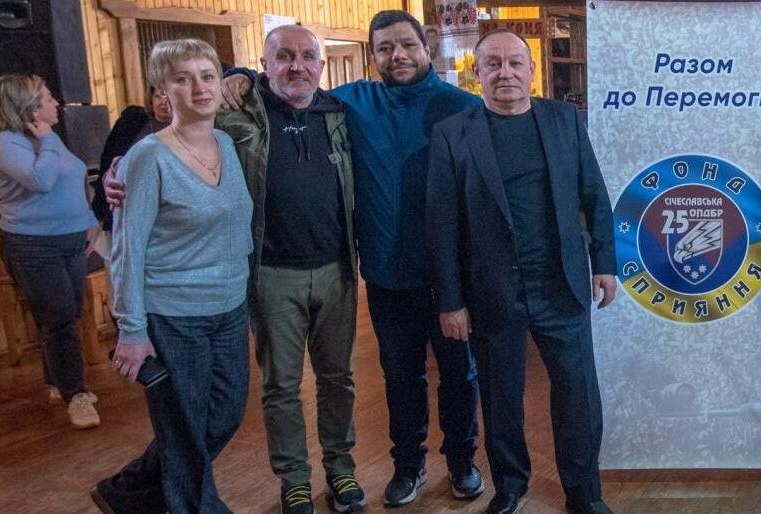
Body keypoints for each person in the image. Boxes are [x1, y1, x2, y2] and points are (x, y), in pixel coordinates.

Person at [110, 11, 485, 507]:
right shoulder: (315, 107)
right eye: (384, 48)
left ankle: (441, 464)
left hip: (396, 274)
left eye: (406, 45)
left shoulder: (429, 108)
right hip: (334, 275)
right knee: (355, 382)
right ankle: (365, 472)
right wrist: (127, 163)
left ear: (426, 47)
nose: (397, 55)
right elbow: (188, 129)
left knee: (430, 376)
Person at [426, 29, 618, 514]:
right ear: (477, 73)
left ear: (532, 71)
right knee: (501, 398)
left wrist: (606, 263)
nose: (505, 72)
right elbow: (441, 224)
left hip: (561, 283)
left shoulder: (563, 120)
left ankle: (584, 492)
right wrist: (451, 301)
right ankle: (510, 486)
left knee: (578, 395)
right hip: (492, 290)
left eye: (515, 63)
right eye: (493, 64)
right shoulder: (453, 134)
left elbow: (594, 193)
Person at [92, 38, 253, 514]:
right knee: (183, 427)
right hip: (173, 314)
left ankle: (127, 490)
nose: (199, 87)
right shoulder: (147, 157)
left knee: (224, 414)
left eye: (207, 76)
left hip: (229, 308)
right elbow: (127, 249)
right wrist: (131, 330)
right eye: (183, 79)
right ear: (163, 90)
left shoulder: (226, 143)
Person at [212, 25, 364, 514]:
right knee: (280, 386)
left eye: (306, 56)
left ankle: (341, 470)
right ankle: (294, 479)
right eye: (283, 56)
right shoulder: (237, 115)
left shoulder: (339, 115)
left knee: (338, 378)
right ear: (265, 65)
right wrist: (122, 169)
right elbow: (180, 134)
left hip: (337, 270)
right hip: (272, 274)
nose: (296, 65)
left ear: (321, 65)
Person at [0, 73, 101, 429]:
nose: (56, 103)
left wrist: (89, 220)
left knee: (67, 311)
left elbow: (73, 178)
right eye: (48, 98)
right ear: (30, 107)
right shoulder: (3, 143)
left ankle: (56, 382)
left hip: (70, 238)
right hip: (32, 244)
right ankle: (76, 395)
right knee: (60, 316)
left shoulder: (47, 138)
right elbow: (41, 180)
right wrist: (48, 140)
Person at [94, 86, 171, 237]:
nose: (163, 102)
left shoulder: (186, 130)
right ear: (150, 99)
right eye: (158, 96)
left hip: (162, 215)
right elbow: (107, 161)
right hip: (124, 206)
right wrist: (99, 212)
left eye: (169, 98)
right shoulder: (132, 122)